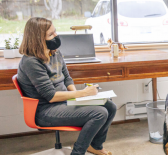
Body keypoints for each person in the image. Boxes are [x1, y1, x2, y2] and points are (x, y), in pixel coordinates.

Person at [17, 17, 116, 155]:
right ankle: (77, 152)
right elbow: (51, 97)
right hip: (45, 110)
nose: (56, 36)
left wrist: (79, 98)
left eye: (55, 32)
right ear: (38, 39)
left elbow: (67, 78)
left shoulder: (55, 52)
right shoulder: (31, 62)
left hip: (64, 102)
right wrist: (83, 93)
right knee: (99, 113)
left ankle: (95, 146)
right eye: (51, 35)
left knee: (110, 106)